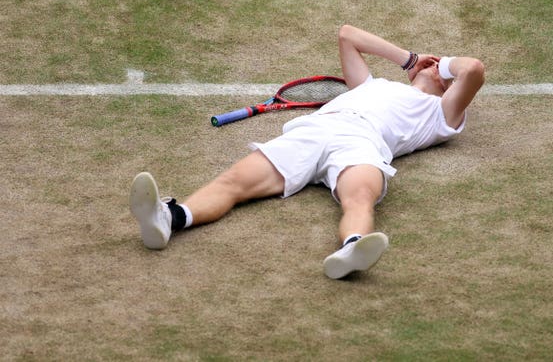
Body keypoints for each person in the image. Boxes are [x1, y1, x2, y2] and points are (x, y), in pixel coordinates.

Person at [129, 24, 485, 279]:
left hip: (362, 143)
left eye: (443, 73)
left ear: (449, 88)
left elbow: (473, 68)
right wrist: (409, 60)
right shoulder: (371, 85)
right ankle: (170, 218)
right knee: (234, 181)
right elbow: (348, 34)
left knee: (359, 197)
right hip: (315, 131)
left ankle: (352, 248)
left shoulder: (440, 115)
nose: (437, 68)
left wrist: (446, 65)